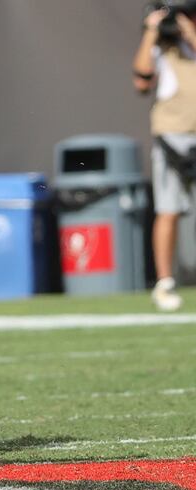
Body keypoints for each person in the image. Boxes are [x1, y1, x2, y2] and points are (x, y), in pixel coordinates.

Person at [133, 2, 196, 311]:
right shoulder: (163, 48)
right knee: (168, 210)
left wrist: (189, 32)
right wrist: (151, 32)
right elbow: (141, 80)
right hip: (173, 138)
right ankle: (164, 282)